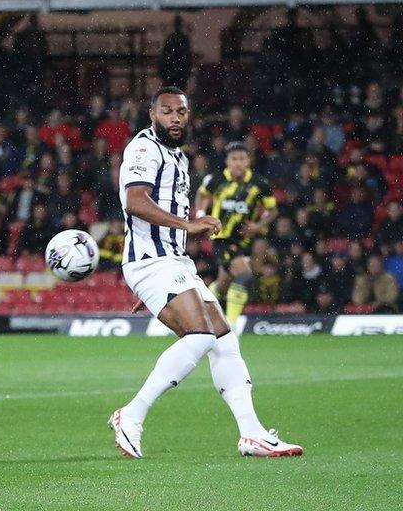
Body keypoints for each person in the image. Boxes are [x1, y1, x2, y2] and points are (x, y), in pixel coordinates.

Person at [109, 87, 302, 459]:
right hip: (153, 262)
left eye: (181, 111)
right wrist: (188, 225)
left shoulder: (178, 158)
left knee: (224, 340)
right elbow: (134, 202)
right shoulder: (145, 149)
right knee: (200, 334)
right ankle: (130, 415)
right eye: (167, 111)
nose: (175, 118)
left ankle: (252, 433)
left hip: (171, 263)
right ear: (152, 114)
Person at [194, 142, 278, 328]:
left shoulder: (260, 184)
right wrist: (201, 216)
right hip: (221, 238)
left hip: (244, 240)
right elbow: (201, 195)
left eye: (242, 159)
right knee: (245, 275)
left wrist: (258, 226)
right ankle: (231, 327)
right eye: (234, 159)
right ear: (227, 161)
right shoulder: (216, 179)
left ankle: (200, 315)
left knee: (223, 284)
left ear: (248, 161)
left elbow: (272, 210)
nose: (238, 163)